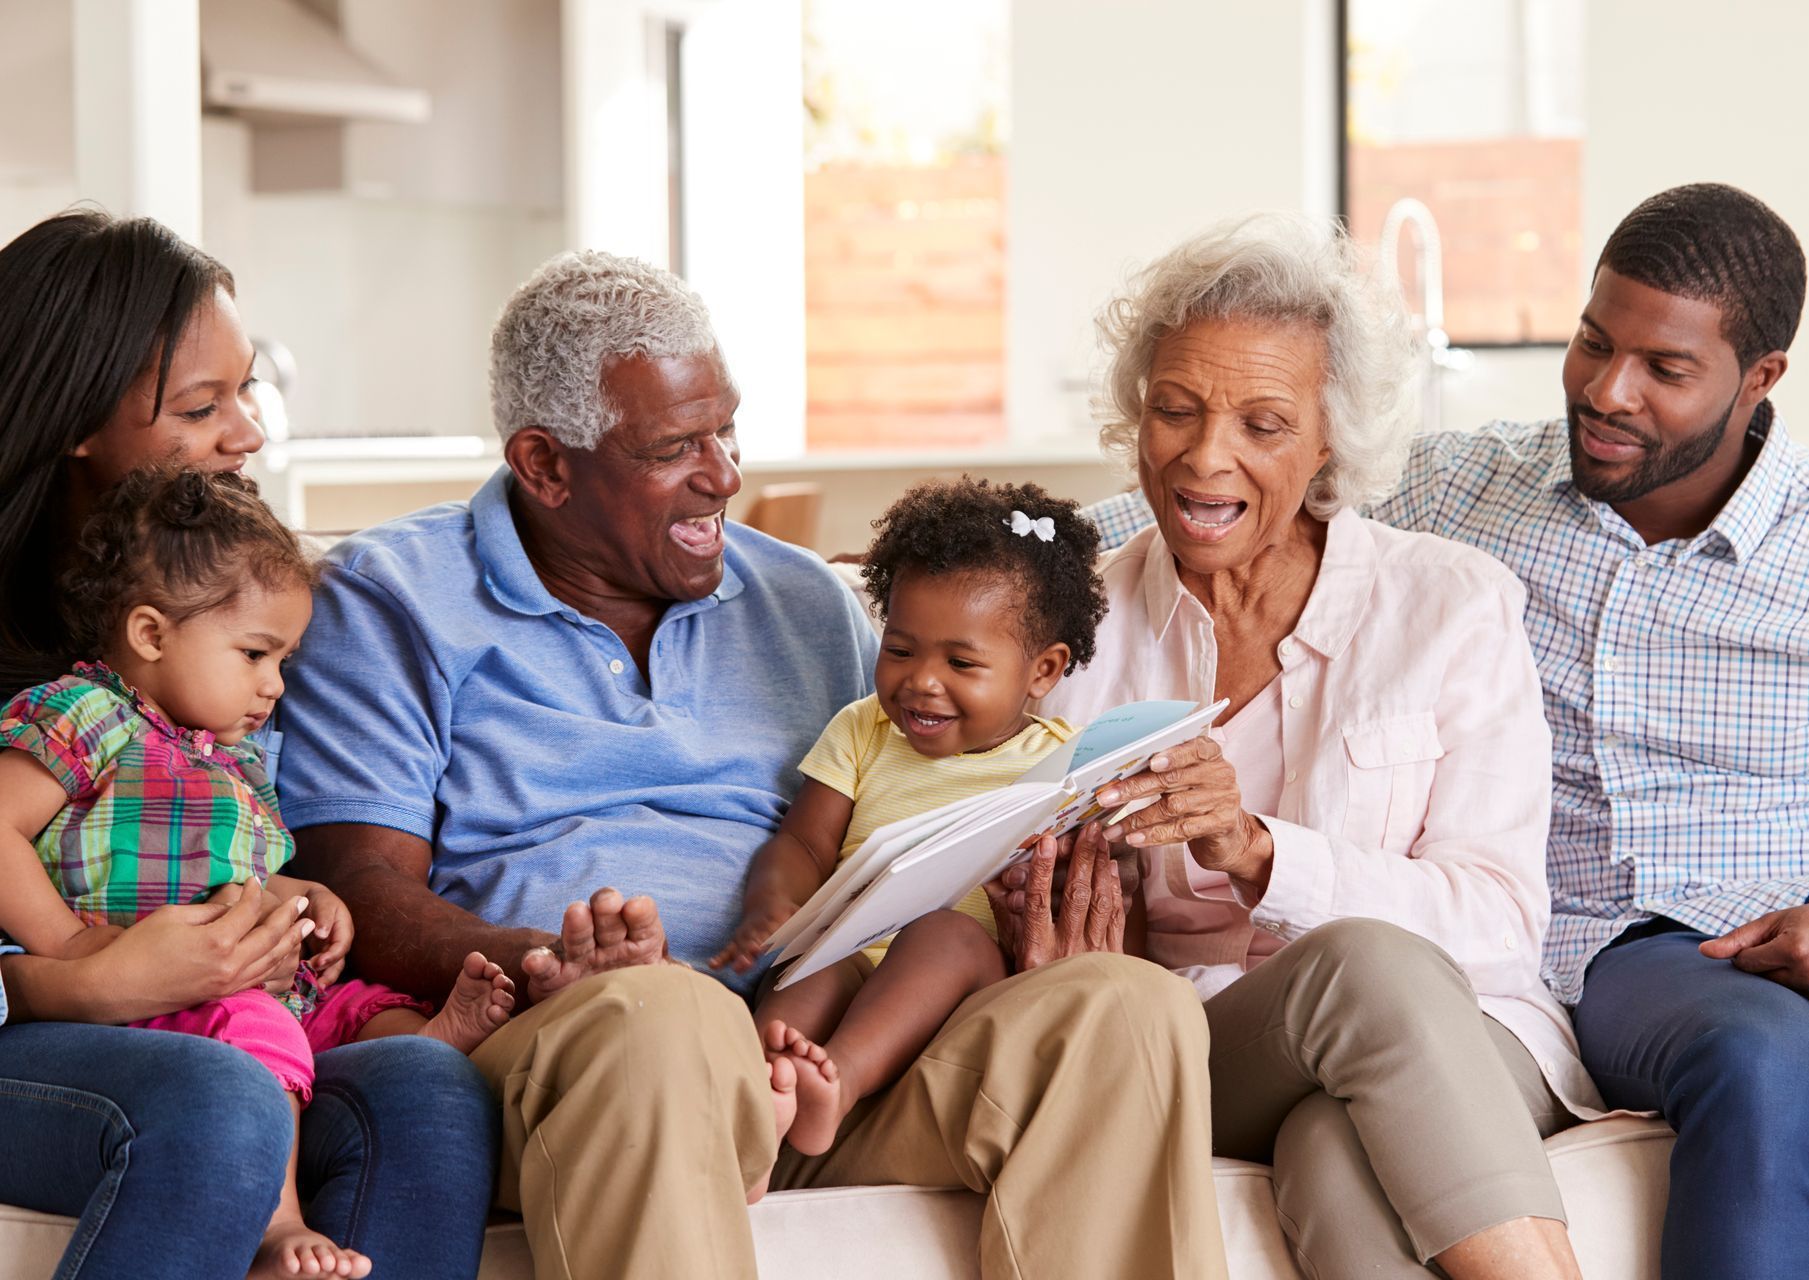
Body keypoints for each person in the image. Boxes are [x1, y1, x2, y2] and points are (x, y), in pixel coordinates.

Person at [272, 249, 1230, 1280]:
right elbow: (359, 884)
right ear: (545, 463)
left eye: (725, 428)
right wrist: (554, 962)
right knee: (660, 1010)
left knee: (1126, 1008)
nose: (725, 473)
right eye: (676, 446)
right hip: (584, 1050)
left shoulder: (805, 600)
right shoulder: (390, 598)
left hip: (806, 1062)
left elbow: (895, 812)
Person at [1085, 184, 1809, 1279]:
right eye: (1591, 342)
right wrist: (974, 578)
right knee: (1757, 1054)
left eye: (1664, 371)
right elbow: (1196, 492)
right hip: (1596, 967)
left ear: (1760, 380)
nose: (1608, 392)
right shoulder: (1464, 488)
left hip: (1748, 932)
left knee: (1334, 1143)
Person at [1038, 213, 1609, 1280]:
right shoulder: (1078, 625)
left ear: (1329, 439)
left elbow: (1494, 922)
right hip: (1208, 1042)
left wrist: (1262, 852)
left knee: (1333, 1143)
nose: (1206, 458)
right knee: (1357, 970)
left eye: (1263, 422)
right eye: (1175, 410)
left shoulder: (1448, 604)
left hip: (1465, 1028)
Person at [0, 209, 498, 1280]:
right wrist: (81, 976)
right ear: (75, 421)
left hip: (200, 1006)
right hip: (48, 1033)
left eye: (244, 391)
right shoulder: (64, 702)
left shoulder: (237, 621)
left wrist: (290, 907)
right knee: (217, 1096)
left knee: (427, 1090)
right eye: (200, 405)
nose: (248, 434)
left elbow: (236, 833)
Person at [713, 476, 1107, 1160]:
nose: (922, 680)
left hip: (965, 994)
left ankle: (837, 1085)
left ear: (1042, 671)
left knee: (943, 934)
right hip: (853, 965)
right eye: (899, 649)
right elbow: (804, 844)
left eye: (961, 662)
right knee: (809, 966)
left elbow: (1080, 892)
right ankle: (750, 1107)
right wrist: (774, 907)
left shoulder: (1063, 767)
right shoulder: (863, 730)